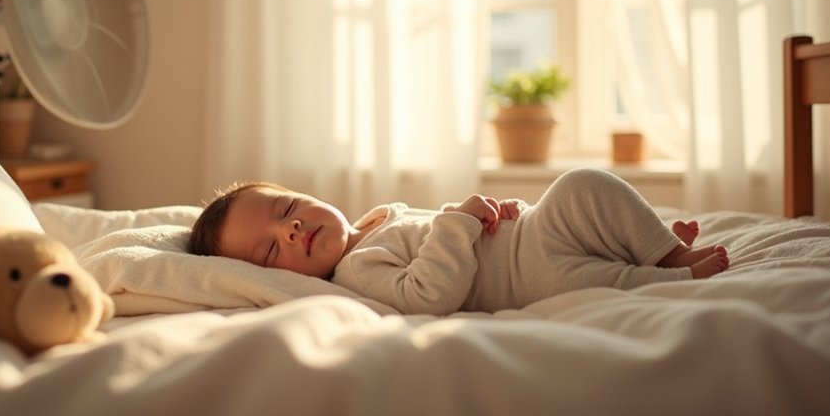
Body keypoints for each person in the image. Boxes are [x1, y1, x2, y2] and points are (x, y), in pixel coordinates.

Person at [188, 168, 730, 315]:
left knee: (583, 185)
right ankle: (672, 273)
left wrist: (497, 212)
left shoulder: (381, 218)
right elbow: (430, 294)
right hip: (522, 277)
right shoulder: (357, 272)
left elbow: (454, 227)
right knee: (588, 279)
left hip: (529, 235)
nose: (290, 229)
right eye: (270, 249)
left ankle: (663, 246)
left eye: (288, 209)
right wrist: (460, 222)